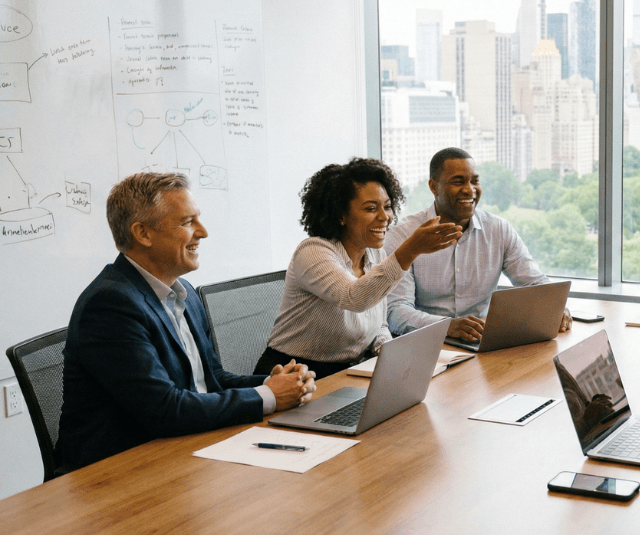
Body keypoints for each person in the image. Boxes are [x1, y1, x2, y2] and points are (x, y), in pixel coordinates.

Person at [59, 173, 316, 469]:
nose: (203, 232)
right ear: (143, 233)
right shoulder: (110, 305)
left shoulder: (185, 293)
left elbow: (211, 380)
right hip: (120, 471)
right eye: (187, 222)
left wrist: (278, 383)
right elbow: (165, 410)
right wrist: (269, 396)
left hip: (185, 448)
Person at [252, 158, 462, 377]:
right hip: (289, 373)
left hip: (346, 372)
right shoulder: (312, 252)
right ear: (341, 214)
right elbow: (355, 298)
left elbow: (378, 323)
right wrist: (409, 251)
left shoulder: (375, 254)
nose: (385, 217)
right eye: (371, 208)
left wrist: (389, 354)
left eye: (388, 207)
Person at [385, 147, 571, 342]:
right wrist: (448, 326)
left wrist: (555, 307)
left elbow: (535, 282)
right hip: (425, 344)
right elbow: (396, 311)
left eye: (475, 181)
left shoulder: (498, 229)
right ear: (433, 186)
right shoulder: (403, 235)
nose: (469, 190)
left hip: (481, 342)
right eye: (458, 182)